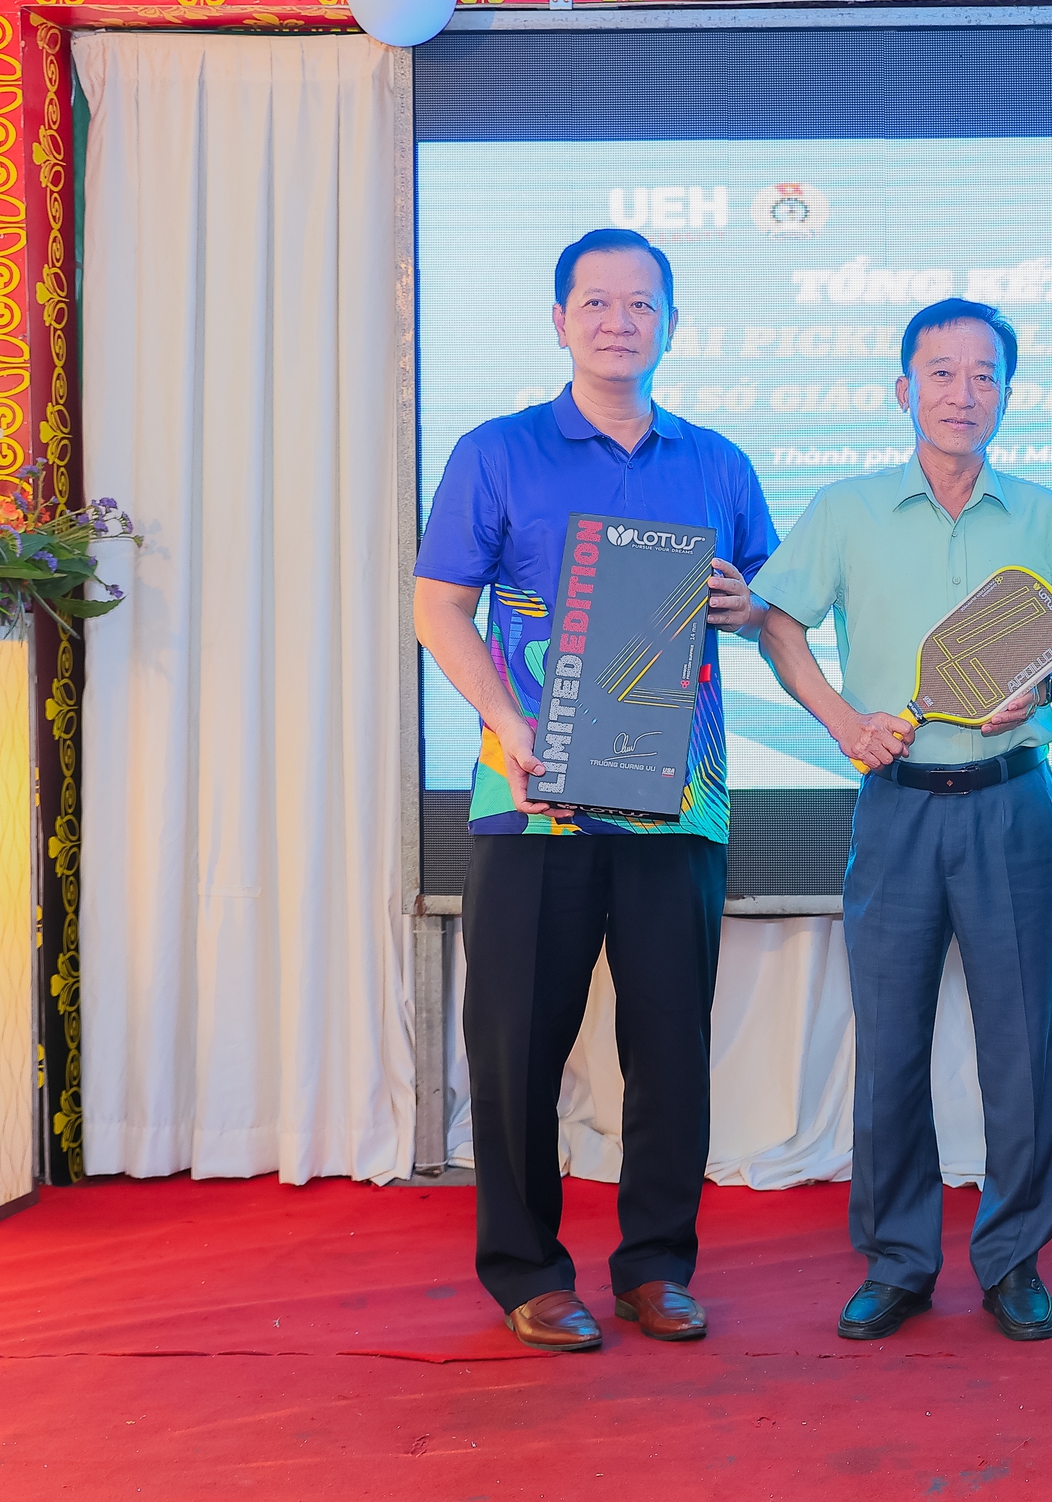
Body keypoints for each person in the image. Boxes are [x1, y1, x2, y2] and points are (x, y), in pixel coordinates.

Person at [414, 227, 779, 1353]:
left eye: (641, 306)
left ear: (670, 323)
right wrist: (509, 723)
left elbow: (764, 608)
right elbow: (439, 606)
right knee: (518, 1038)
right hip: (532, 792)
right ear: (559, 321)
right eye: (596, 303)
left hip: (680, 796)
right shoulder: (498, 449)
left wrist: (741, 605)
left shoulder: (715, 461)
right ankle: (527, 1269)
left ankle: (657, 1266)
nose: (619, 322)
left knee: (671, 1039)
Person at [753, 298, 1052, 1344]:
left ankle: (1011, 1262)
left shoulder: (1041, 512)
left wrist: (1041, 692)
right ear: (903, 389)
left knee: (1022, 1049)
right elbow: (778, 620)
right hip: (896, 813)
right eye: (940, 374)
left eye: (983, 375)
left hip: (1009, 804)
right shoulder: (847, 509)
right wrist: (844, 721)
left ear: (1005, 391)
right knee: (891, 1046)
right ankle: (898, 1262)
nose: (962, 394)